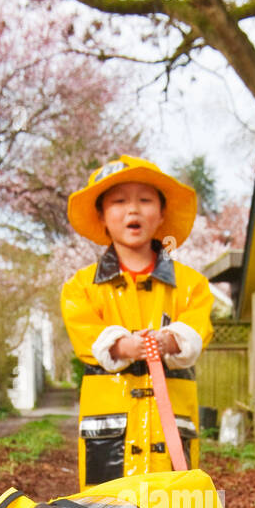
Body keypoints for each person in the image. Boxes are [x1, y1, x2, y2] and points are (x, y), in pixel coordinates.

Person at [62, 154, 214, 489]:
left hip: (171, 426)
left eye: (145, 200)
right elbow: (85, 331)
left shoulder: (191, 285)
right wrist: (122, 345)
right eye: (119, 201)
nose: (133, 210)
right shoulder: (81, 288)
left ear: (161, 214)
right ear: (101, 215)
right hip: (110, 433)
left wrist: (171, 340)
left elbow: (197, 324)